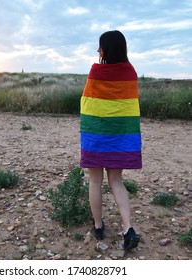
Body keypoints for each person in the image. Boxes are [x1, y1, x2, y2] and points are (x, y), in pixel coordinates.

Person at [80, 30, 142, 250]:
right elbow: (128, 106)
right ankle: (128, 229)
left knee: (95, 180)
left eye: (100, 46)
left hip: (96, 134)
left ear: (106, 49)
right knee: (116, 181)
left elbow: (87, 103)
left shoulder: (96, 71)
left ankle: (98, 226)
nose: (98, 51)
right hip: (119, 136)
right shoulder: (130, 71)